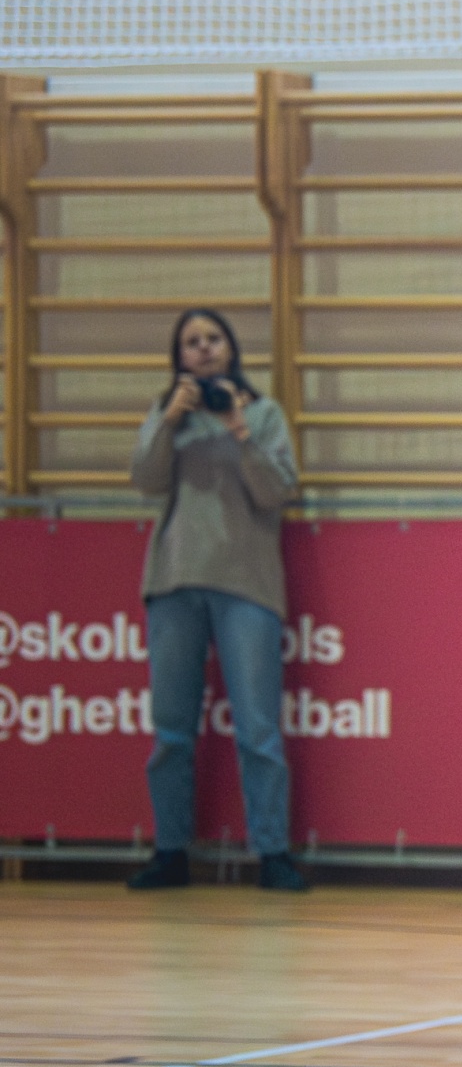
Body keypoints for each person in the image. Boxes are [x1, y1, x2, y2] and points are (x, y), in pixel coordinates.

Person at [125, 308, 309, 893]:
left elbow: (278, 490)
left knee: (258, 727)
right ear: (178, 357)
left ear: (230, 350)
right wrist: (169, 421)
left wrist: (239, 430)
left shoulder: (263, 412)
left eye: (213, 339)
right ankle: (170, 851)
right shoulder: (166, 413)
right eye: (192, 342)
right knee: (171, 729)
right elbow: (145, 480)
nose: (203, 349)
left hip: (246, 583)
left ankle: (273, 852)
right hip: (174, 581)